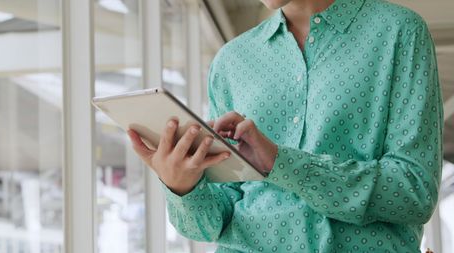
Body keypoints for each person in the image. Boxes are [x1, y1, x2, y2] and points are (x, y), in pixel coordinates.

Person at [127, 0, 444, 252]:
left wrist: (280, 162)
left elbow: (413, 192)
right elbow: (210, 225)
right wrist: (182, 186)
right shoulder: (231, 61)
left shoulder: (398, 32)